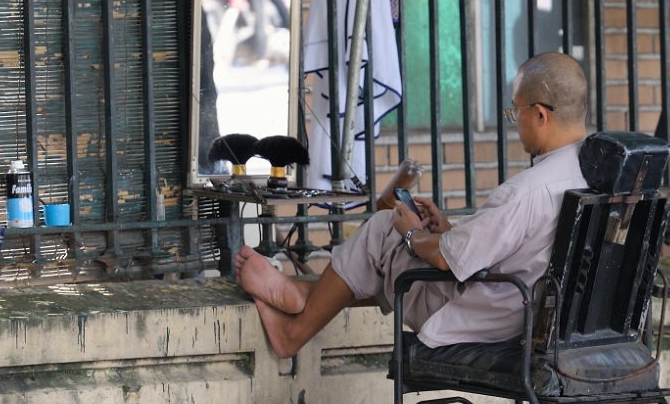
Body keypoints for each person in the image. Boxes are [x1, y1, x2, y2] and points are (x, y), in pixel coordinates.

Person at [234, 51, 590, 358]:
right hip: (524, 312)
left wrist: (411, 234)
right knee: (390, 258)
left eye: (516, 113)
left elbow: (445, 259)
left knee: (382, 229)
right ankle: (303, 293)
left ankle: (292, 332)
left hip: (481, 319)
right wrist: (448, 231)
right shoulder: (590, 174)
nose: (514, 123)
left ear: (541, 115)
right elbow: (515, 248)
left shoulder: (528, 191)